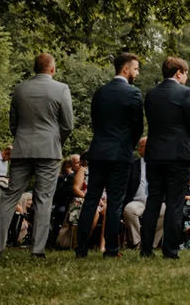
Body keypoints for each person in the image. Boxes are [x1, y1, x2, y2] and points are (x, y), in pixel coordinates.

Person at [0, 53, 74, 258]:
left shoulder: (20, 89)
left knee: (10, 196)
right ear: (52, 69)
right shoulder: (61, 89)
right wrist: (56, 141)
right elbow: (68, 125)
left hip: (22, 148)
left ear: (34, 68)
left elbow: (13, 122)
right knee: (44, 198)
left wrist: (21, 139)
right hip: (49, 150)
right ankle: (37, 250)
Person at [76, 52, 144, 258]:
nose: (137, 73)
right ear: (125, 69)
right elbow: (138, 127)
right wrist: (127, 145)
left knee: (91, 199)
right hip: (120, 154)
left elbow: (95, 122)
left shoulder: (100, 92)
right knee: (115, 202)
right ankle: (112, 249)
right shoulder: (134, 93)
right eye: (135, 69)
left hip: (98, 152)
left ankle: (81, 248)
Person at [141, 55, 190, 259]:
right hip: (178, 154)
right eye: (186, 73)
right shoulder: (186, 93)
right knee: (175, 203)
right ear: (178, 73)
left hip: (155, 154)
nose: (187, 78)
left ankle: (146, 248)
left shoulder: (151, 94)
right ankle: (170, 250)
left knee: (153, 201)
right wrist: (186, 144)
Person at [122, 138, 158, 249]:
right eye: (145, 146)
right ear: (139, 149)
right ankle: (138, 242)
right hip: (137, 201)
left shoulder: (159, 165)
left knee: (166, 210)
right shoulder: (132, 165)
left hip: (154, 201)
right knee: (129, 210)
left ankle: (151, 243)